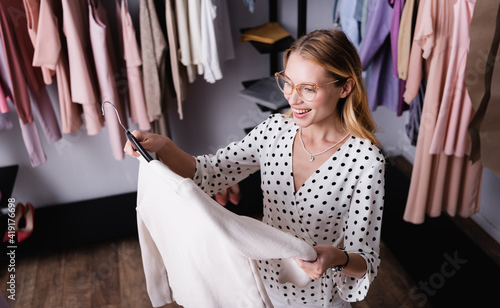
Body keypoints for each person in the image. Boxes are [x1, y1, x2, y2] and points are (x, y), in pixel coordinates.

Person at [124, 29, 385, 308]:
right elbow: (209, 173)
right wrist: (164, 146)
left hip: (318, 300)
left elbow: (365, 261)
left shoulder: (365, 161)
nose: (292, 99)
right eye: (287, 82)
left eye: (308, 89)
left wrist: (336, 257)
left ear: (345, 88)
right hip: (260, 288)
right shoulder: (274, 130)